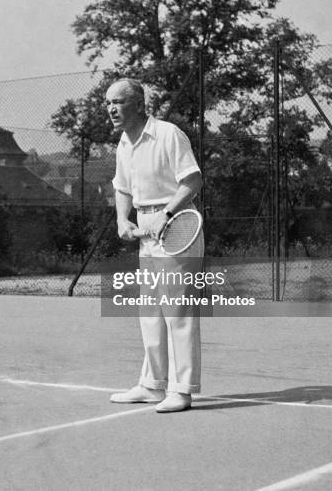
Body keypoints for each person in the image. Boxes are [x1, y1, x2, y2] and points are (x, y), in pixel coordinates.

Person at [106, 78, 203, 413]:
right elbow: (122, 188)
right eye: (108, 103)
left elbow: (193, 180)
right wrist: (123, 220)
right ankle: (152, 386)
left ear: (138, 104)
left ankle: (183, 390)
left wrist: (167, 212)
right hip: (146, 232)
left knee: (178, 312)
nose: (111, 109)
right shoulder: (123, 143)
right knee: (150, 311)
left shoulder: (168, 134)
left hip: (177, 228)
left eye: (118, 102)